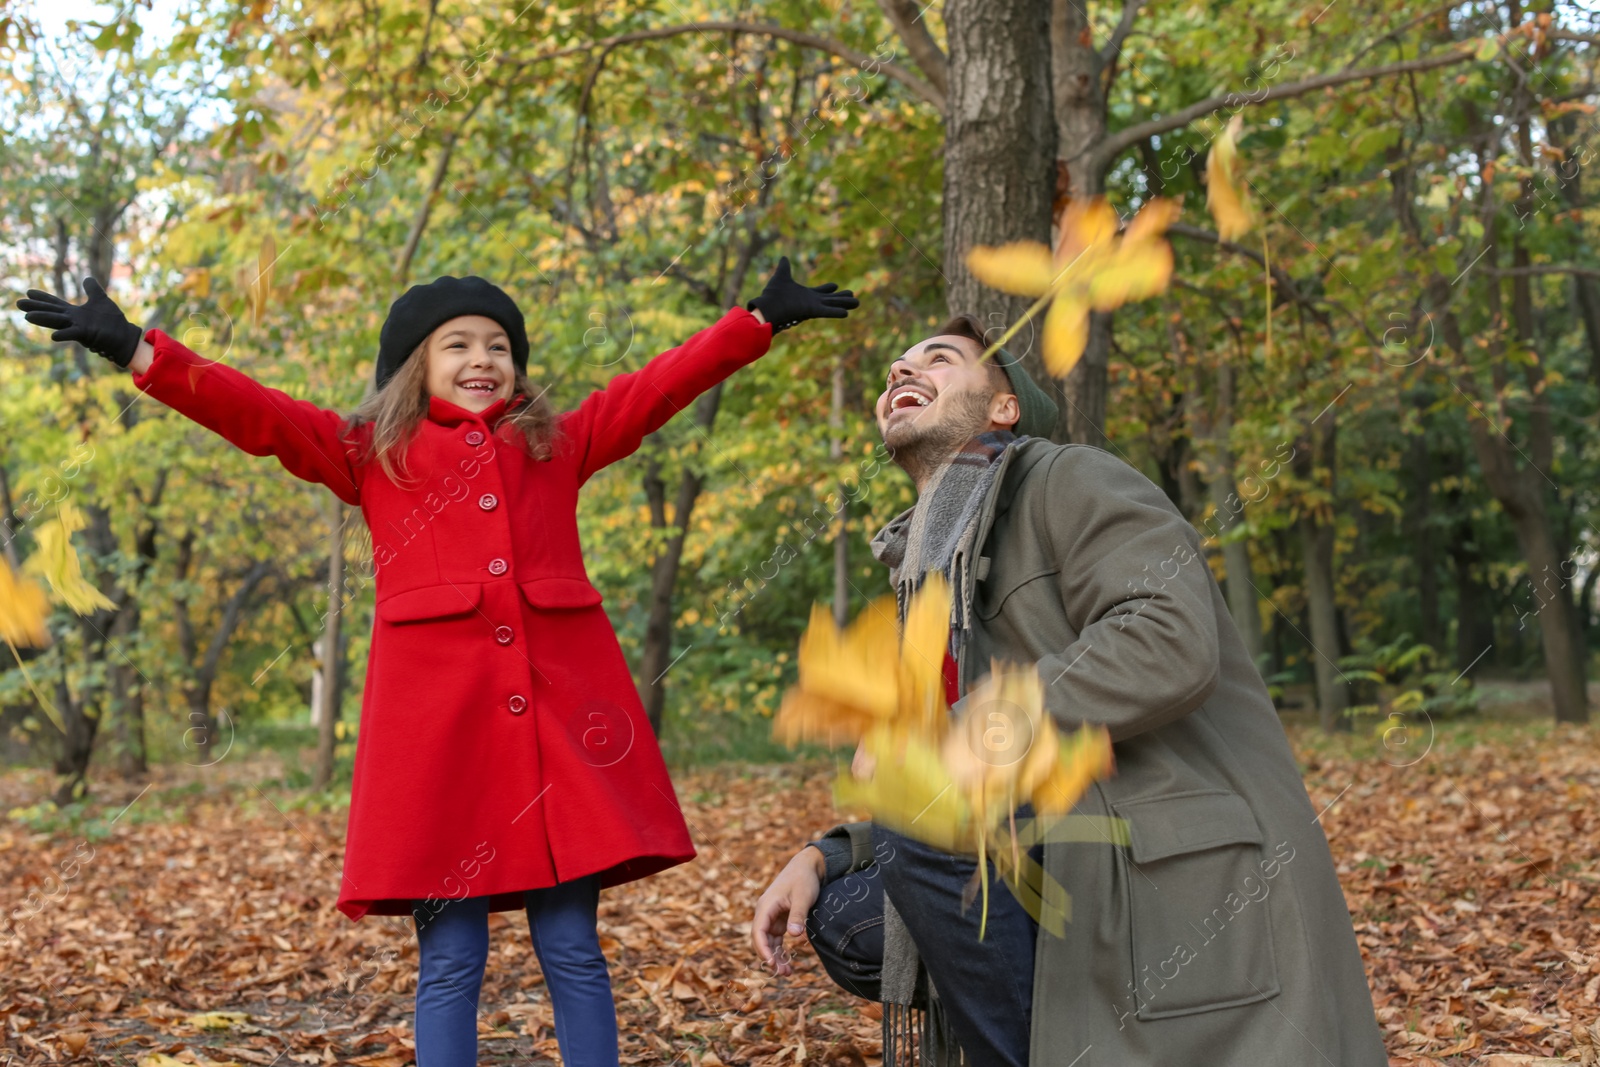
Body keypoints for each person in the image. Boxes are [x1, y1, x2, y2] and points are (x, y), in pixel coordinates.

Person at [17, 262, 856, 1067]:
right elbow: (254, 412)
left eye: (497, 344)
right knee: (451, 958)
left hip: (556, 745)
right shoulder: (367, 452)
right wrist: (135, 347)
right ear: (415, 366)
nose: (482, 358)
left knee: (573, 946)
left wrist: (756, 321)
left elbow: (657, 387)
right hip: (441, 752)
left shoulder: (558, 443)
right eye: (457, 344)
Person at [752, 315, 1386, 1066]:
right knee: (849, 915)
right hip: (1058, 838)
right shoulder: (928, 573)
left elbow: (1168, 635)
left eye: (939, 358)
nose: (901, 372)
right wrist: (825, 852)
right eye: (894, 369)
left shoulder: (1069, 478)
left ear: (1003, 407)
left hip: (1165, 849)